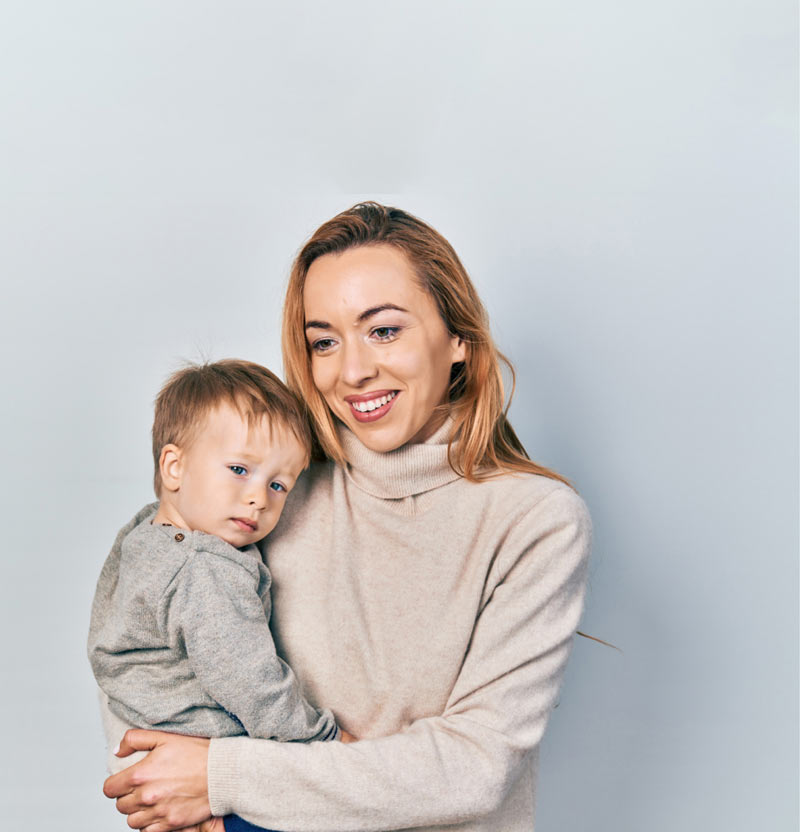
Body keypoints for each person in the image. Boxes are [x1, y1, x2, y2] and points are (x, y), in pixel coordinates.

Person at [101, 203, 592, 832]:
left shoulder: (536, 522)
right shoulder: (275, 480)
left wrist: (220, 778)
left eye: (384, 331)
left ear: (459, 338)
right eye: (324, 341)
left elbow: (474, 767)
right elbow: (141, 629)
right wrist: (172, 799)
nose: (353, 371)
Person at [89, 360, 351, 782]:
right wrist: (324, 741)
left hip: (139, 737)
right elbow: (250, 680)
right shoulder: (204, 567)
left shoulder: (143, 530)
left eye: (278, 484)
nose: (259, 499)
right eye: (239, 470)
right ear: (174, 467)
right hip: (196, 750)